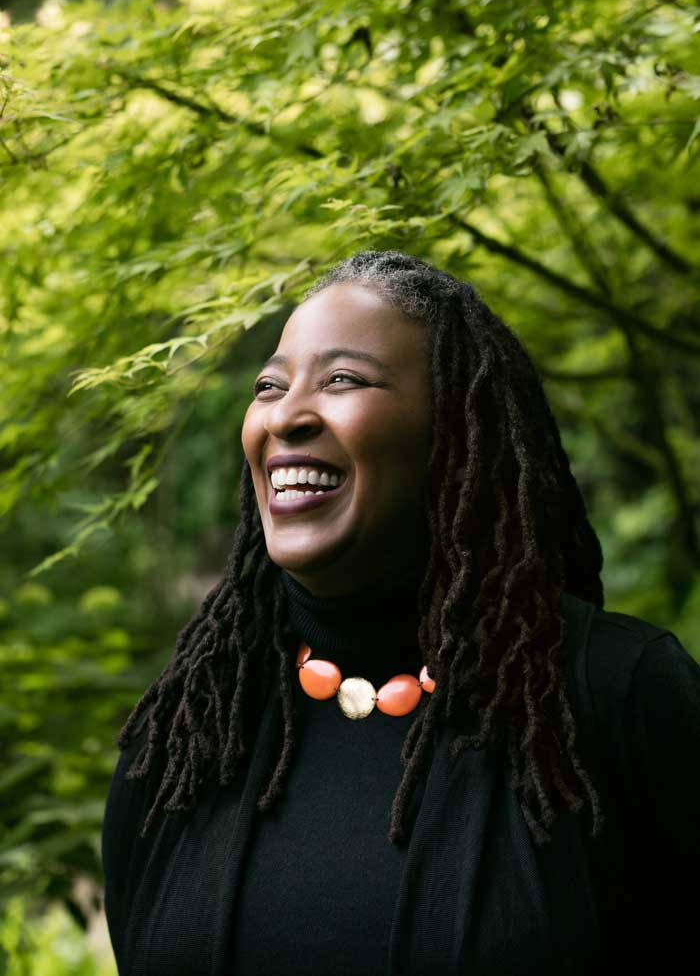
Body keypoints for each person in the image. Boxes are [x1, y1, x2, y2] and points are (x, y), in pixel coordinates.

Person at [101, 250, 700, 976]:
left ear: (455, 427)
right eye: (269, 385)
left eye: (343, 379)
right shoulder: (187, 736)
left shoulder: (614, 694)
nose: (287, 415)